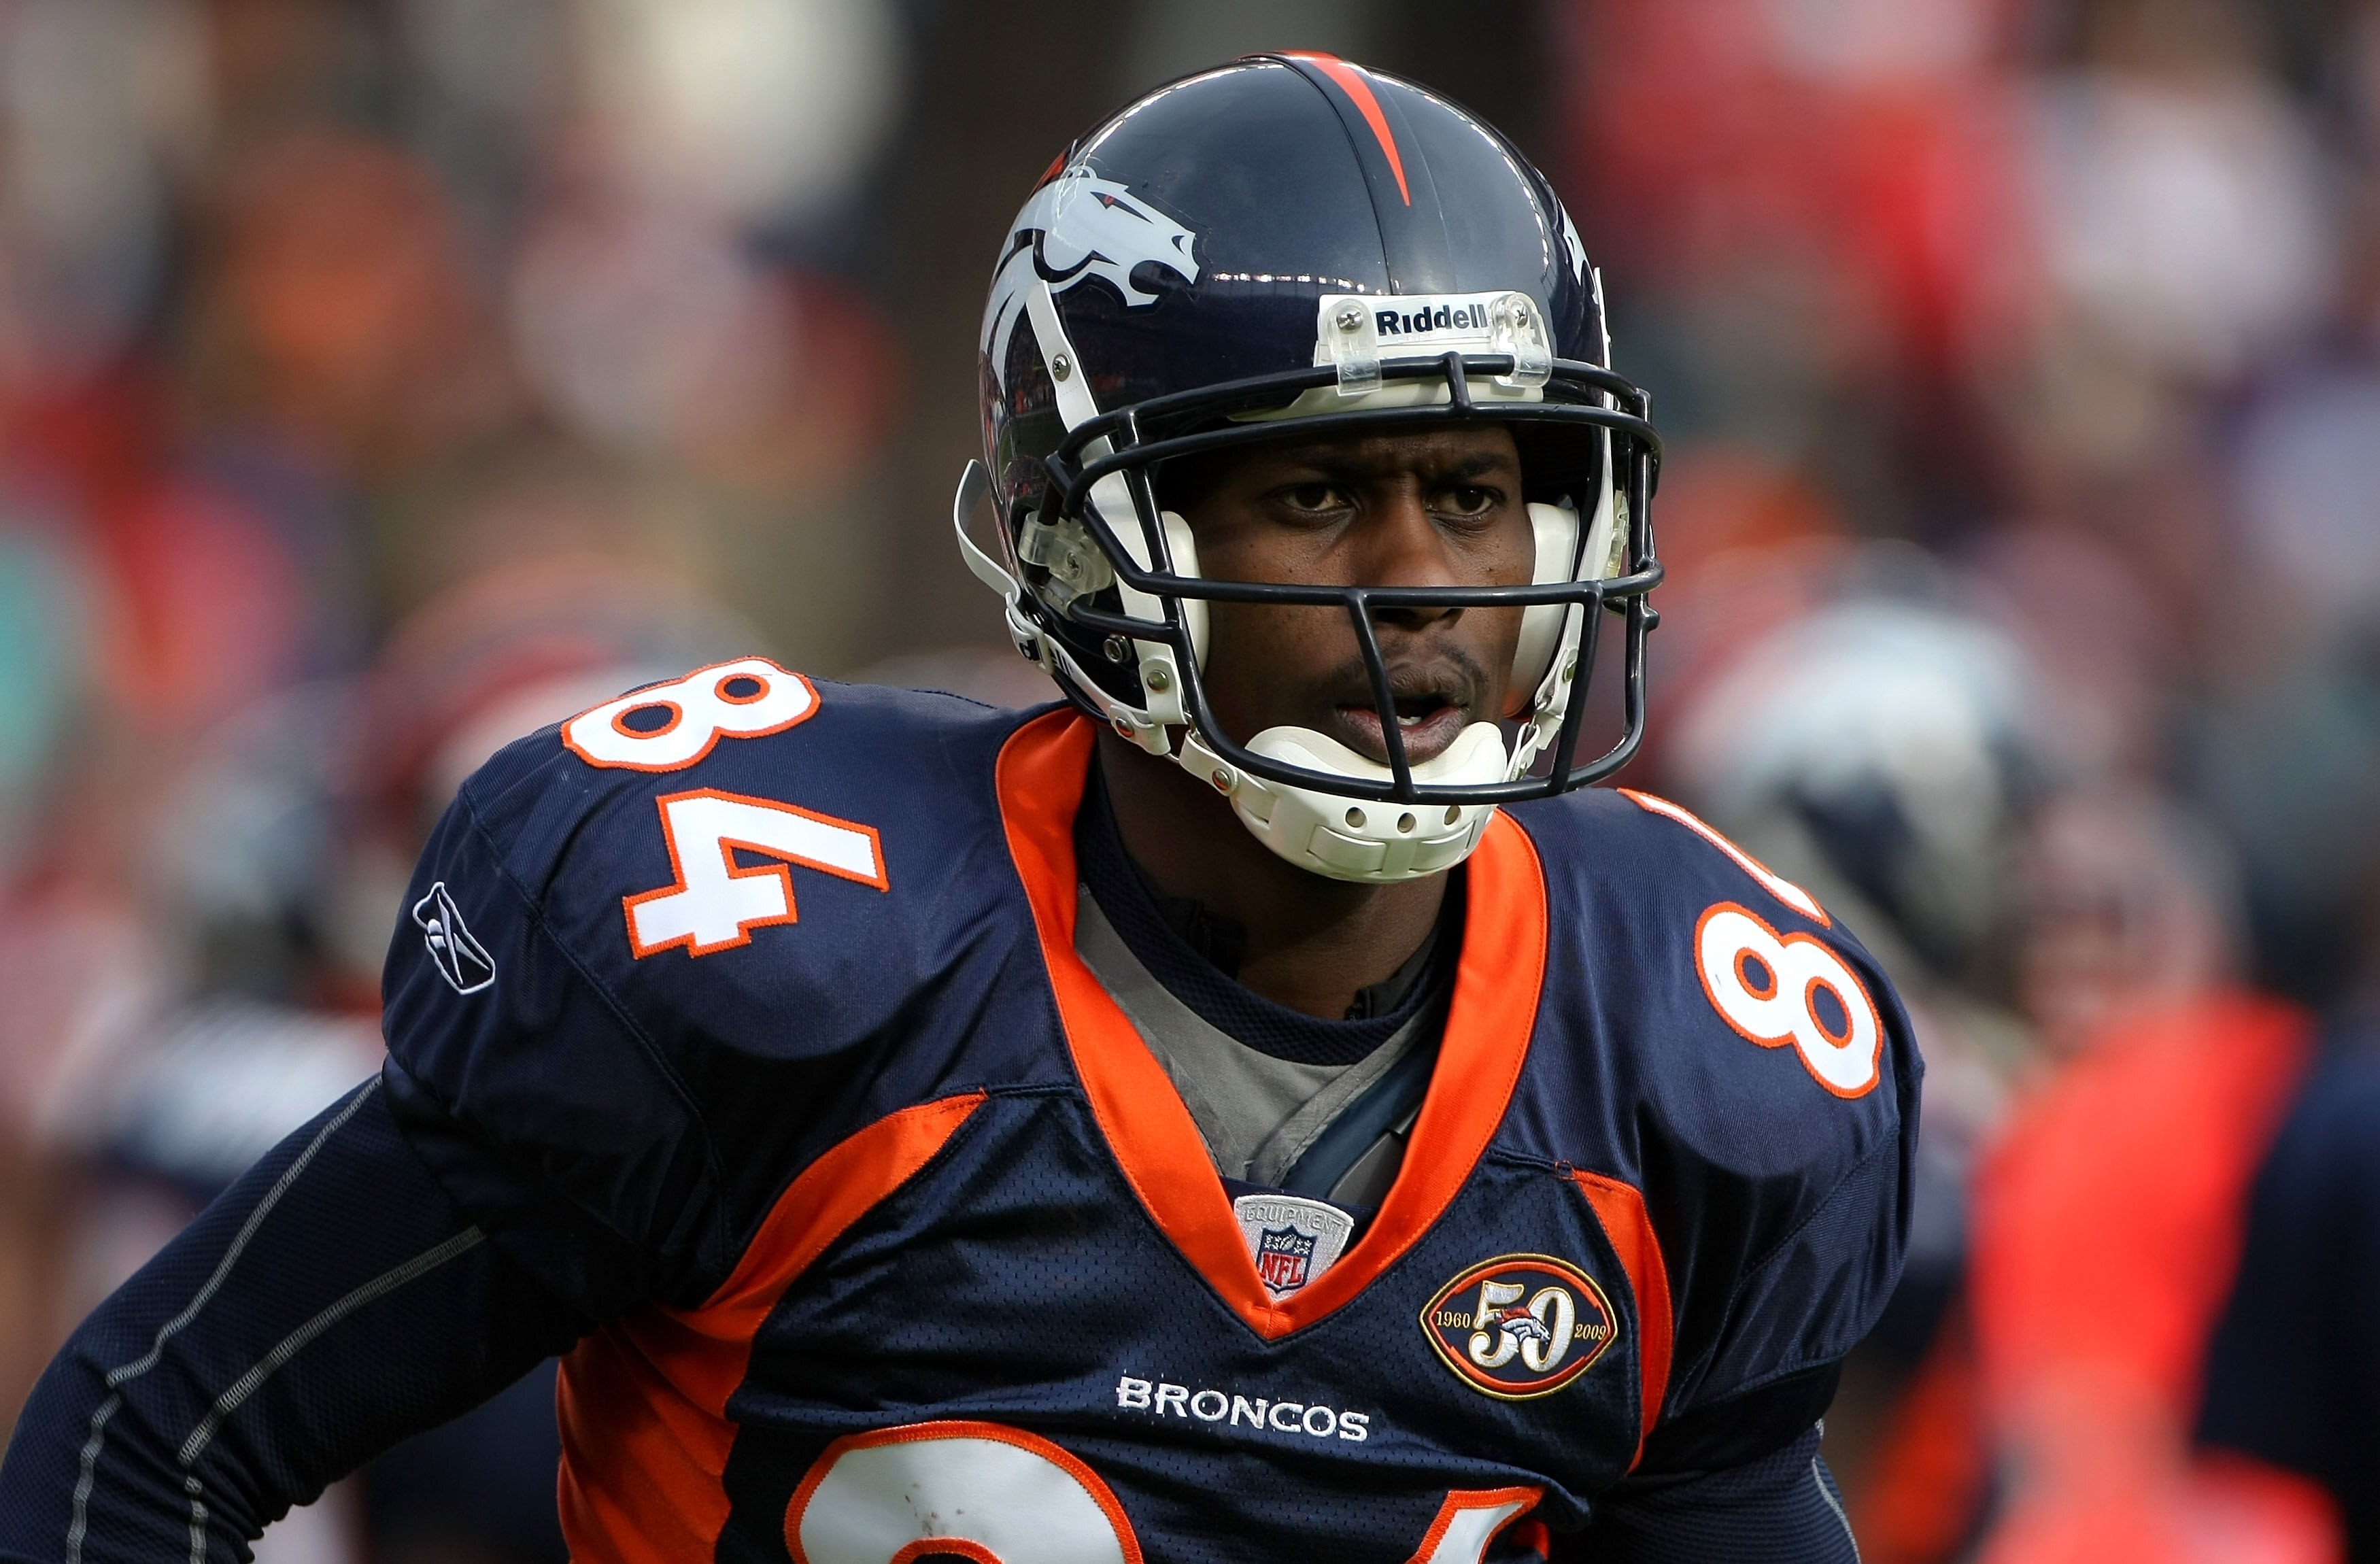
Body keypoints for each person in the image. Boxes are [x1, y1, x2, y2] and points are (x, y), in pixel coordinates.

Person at [0, 56, 1917, 1562]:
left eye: (1479, 494)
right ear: (1088, 539)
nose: (1422, 582)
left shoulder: (1690, 1054)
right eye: (1318, 494)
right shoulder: (791, 957)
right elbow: (153, 1436)